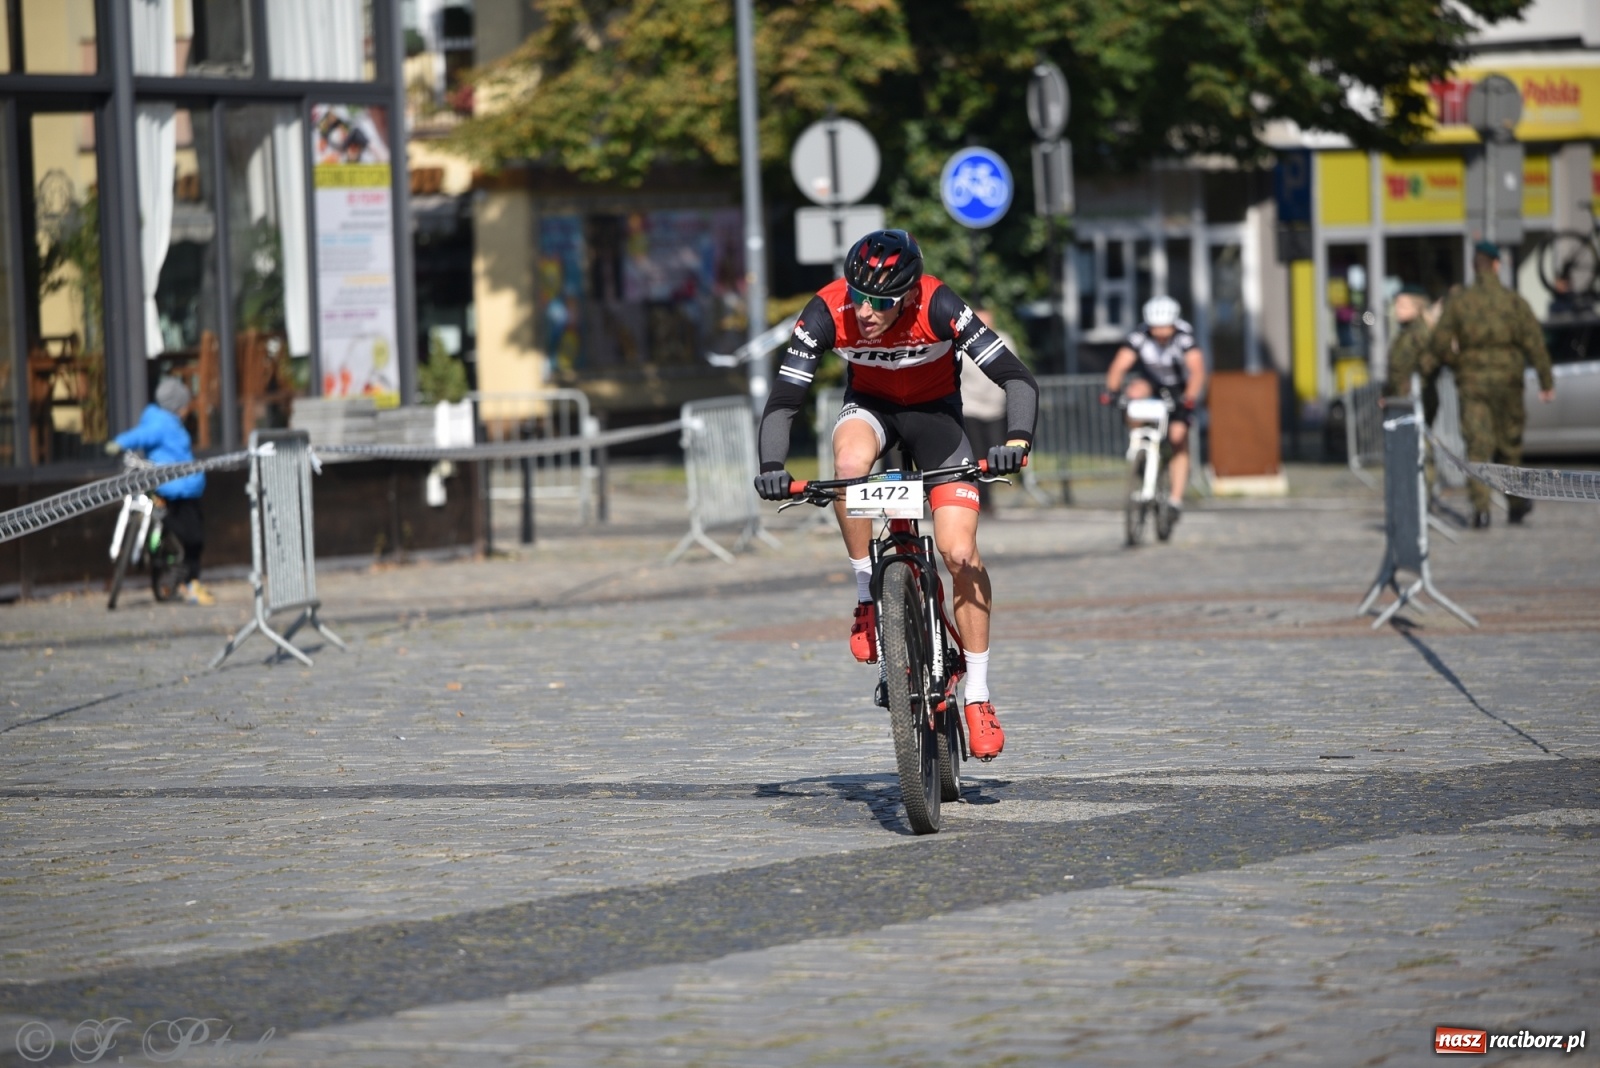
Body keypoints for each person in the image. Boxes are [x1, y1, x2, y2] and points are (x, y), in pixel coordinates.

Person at [753, 229, 1038, 760]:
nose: (865, 310)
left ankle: (976, 693)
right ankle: (868, 595)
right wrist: (772, 466)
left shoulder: (938, 303)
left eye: (880, 302)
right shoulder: (827, 309)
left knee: (958, 552)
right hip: (871, 411)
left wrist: (1016, 441)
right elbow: (785, 398)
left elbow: (1015, 378)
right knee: (847, 466)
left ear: (908, 295)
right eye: (859, 295)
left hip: (938, 420)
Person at [1429, 241, 1555, 529]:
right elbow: (1534, 343)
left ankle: (1481, 510)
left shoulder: (1460, 302)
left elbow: (1438, 343)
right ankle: (1515, 504)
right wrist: (1546, 380)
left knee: (1477, 446)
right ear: (1496, 265)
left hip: (1472, 384)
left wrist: (1458, 363)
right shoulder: (1513, 302)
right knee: (1509, 445)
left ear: (1475, 266)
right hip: (1508, 382)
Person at [105, 376, 213, 605]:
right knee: (193, 538)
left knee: (177, 531)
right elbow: (140, 436)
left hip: (180, 487)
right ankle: (190, 582)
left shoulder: (163, 421)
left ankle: (176, 571)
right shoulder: (164, 424)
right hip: (178, 488)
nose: (187, 409)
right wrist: (120, 443)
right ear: (176, 407)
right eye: (184, 405)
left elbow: (140, 434)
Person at [1102, 296, 1206, 524]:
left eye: (1165, 328)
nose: (1160, 333)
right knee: (1134, 394)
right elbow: (1119, 365)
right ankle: (1142, 450)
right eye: (1155, 328)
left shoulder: (1184, 337)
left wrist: (1189, 398)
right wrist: (1112, 392)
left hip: (1179, 387)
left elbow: (1197, 371)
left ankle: (1175, 500)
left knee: (1178, 437)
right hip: (1153, 383)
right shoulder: (1140, 336)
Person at [959, 309, 1013, 514]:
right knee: (976, 455)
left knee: (993, 456)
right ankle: (981, 498)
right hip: (971, 406)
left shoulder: (1004, 340)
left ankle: (988, 494)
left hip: (995, 408)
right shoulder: (963, 344)